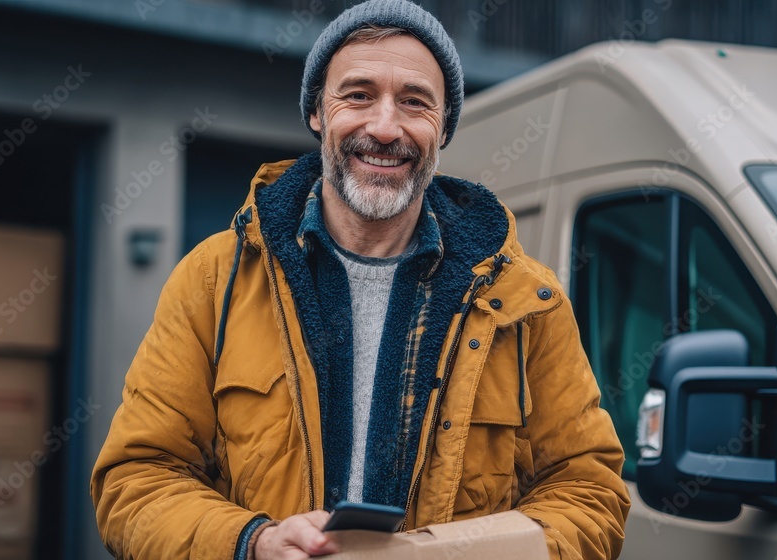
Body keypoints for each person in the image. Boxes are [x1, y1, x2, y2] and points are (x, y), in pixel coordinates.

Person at [91, 1, 630, 558]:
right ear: (317, 113)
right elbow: (136, 481)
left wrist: (456, 553)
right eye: (358, 95)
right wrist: (254, 543)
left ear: (442, 129)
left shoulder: (524, 300)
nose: (384, 126)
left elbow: (590, 494)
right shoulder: (213, 280)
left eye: (415, 103)